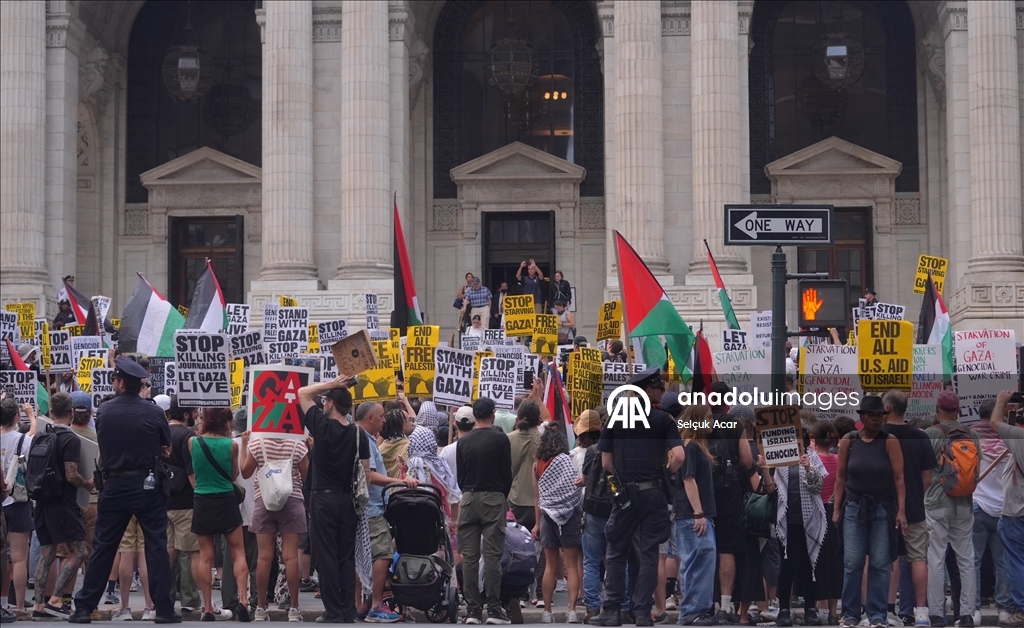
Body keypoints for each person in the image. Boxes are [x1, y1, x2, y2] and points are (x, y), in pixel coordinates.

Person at [69, 357, 179, 624]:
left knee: (104, 546)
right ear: (138, 385)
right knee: (155, 546)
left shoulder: (104, 412)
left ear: (119, 383)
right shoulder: (154, 412)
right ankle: (163, 609)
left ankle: (84, 607)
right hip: (147, 485)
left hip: (115, 485)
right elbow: (166, 446)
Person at [589, 368, 685, 628]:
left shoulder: (614, 420)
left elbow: (606, 462)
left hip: (625, 495)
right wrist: (663, 473)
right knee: (650, 552)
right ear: (650, 391)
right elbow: (679, 456)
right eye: (658, 389)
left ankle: (611, 611)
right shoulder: (664, 420)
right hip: (654, 494)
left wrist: (625, 474)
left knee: (617, 550)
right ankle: (642, 611)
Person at [297, 376, 370, 623]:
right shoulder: (358, 433)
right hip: (347, 499)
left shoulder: (322, 426)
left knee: (326, 556)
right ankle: (348, 609)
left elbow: (302, 393)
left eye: (325, 400)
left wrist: (332, 383)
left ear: (329, 403)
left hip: (322, 499)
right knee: (345, 556)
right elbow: (366, 474)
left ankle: (334, 611)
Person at [832, 395, 907, 628]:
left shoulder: (890, 440)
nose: (876, 419)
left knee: (881, 563)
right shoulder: (849, 440)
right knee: (852, 562)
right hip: (854, 506)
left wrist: (901, 510)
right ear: (862, 417)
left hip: (883, 507)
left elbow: (899, 478)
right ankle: (851, 613)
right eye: (871, 415)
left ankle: (877, 614)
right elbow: (841, 476)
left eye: (879, 415)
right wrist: (836, 508)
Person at [351, 402, 418, 623]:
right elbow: (369, 475)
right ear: (370, 417)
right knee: (383, 553)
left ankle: (360, 603)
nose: (385, 420)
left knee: (363, 555)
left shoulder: (366, 438)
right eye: (381, 416)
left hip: (369, 506)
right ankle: (376, 605)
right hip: (371, 507)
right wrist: (399, 480)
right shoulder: (364, 439)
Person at [31, 392, 92, 619]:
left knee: (47, 553)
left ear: (52, 412)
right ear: (71, 412)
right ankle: (56, 598)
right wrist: (87, 484)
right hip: (63, 504)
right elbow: (71, 475)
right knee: (80, 551)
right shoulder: (71, 439)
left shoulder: (40, 436)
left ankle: (38, 605)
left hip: (42, 503)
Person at [239, 425, 310, 622]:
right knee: (290, 557)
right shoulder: (297, 445)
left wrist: (244, 445)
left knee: (264, 558)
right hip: (292, 501)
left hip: (264, 501)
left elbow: (245, 473)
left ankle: (261, 607)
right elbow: (307, 476)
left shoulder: (257, 444)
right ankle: (294, 608)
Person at [880, 390, 938, 628]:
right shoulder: (921, 436)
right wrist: (914, 495)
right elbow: (928, 476)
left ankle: (889, 609)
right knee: (917, 558)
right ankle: (922, 612)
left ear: (888, 409)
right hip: (914, 506)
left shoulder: (881, 436)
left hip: (886, 505)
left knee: (890, 557)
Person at [756, 434, 826, 627]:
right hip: (786, 521)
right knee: (786, 566)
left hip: (808, 520)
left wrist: (808, 468)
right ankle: (784, 611)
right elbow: (770, 490)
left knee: (809, 565)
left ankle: (810, 610)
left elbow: (818, 487)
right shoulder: (780, 460)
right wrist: (766, 470)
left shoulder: (812, 458)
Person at [189, 408, 251, 622]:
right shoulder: (232, 445)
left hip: (203, 500)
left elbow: (195, 471)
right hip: (226, 499)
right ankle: (243, 600)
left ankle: (207, 607)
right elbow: (233, 475)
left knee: (206, 556)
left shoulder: (193, 443)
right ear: (225, 422)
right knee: (238, 552)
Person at [924, 391, 979, 627]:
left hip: (936, 502)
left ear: (937, 411)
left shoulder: (929, 434)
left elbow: (923, 471)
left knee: (936, 557)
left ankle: (937, 614)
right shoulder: (972, 434)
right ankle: (966, 614)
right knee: (966, 558)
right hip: (965, 503)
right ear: (958, 410)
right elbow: (975, 472)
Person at [456, 398, 513, 625]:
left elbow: (460, 477)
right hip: (493, 497)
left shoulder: (464, 441)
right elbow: (507, 473)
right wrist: (501, 496)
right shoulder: (500, 439)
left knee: (469, 557)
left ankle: (472, 610)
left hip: (468, 498)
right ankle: (495, 608)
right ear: (492, 413)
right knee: (492, 556)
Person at [969, 399, 1014, 625]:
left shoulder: (970, 438)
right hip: (1004, 508)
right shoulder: (1009, 440)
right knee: (1003, 562)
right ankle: (1004, 609)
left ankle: (974, 609)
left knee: (973, 561)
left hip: (977, 505)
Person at [531, 427, 582, 624]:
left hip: (546, 516)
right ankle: (571, 611)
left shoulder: (536, 466)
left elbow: (538, 496)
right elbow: (574, 487)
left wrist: (537, 523)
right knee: (571, 565)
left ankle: (547, 611)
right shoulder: (565, 460)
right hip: (568, 515)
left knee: (550, 566)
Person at [674, 406, 717, 627]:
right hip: (693, 515)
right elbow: (688, 480)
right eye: (709, 417)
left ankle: (698, 609)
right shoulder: (690, 447)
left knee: (703, 562)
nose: (712, 421)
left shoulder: (696, 446)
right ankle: (692, 611)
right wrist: (699, 512)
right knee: (695, 562)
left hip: (698, 515)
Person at [987, 390, 1024, 627]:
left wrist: (1001, 401)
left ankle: (1022, 608)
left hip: (1017, 512)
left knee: (1016, 562)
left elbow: (995, 423)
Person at [162, 398, 201, 617]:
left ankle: (165, 597)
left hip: (164, 500)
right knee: (190, 553)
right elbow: (191, 471)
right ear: (186, 414)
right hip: (185, 503)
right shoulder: (188, 437)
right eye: (195, 410)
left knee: (168, 552)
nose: (197, 414)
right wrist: (198, 494)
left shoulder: (162, 432)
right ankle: (190, 599)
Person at [1, 398, 33, 616]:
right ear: (15, 417)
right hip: (17, 500)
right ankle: (20, 605)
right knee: (19, 557)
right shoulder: (24, 440)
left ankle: (3, 602)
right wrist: (31, 417)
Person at [811, 422, 842, 625]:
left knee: (818, 562)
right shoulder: (839, 460)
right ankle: (833, 610)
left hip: (816, 513)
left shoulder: (812, 462)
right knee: (835, 562)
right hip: (835, 512)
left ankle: (821, 608)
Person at [507, 401, 542, 531]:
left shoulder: (507, 439)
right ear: (538, 419)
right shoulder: (543, 440)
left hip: (514, 498)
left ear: (518, 418)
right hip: (538, 502)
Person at [379, 408, 414, 479]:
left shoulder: (380, 448)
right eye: (410, 420)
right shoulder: (410, 446)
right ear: (401, 425)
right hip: (402, 487)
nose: (413, 423)